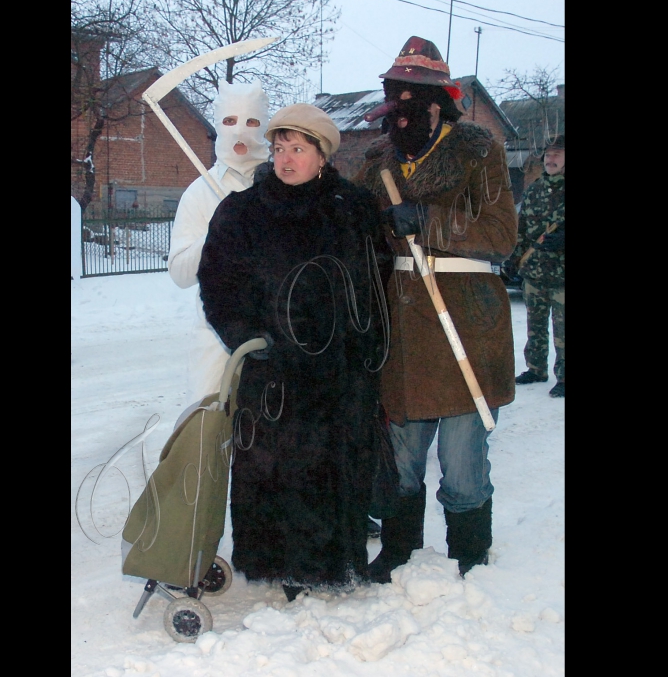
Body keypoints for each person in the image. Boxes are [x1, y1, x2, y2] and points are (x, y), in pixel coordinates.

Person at [198, 103, 392, 600]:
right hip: (274, 366)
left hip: (338, 371)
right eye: (280, 148)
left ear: (323, 155)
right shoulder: (243, 211)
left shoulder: (356, 209)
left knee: (336, 468)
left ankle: (339, 565)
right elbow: (217, 282)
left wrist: (365, 345)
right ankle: (283, 570)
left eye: (298, 149)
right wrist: (248, 338)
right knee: (274, 470)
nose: (286, 159)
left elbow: (377, 280)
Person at [353, 36, 518, 580]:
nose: (398, 119)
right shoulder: (377, 161)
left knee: (463, 461)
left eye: (408, 104)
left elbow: (500, 235)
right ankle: (398, 550)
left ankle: (470, 555)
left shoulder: (478, 150)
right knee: (400, 456)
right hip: (401, 326)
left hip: (465, 321)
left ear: (433, 103)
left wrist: (428, 219)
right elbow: (344, 220)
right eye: (391, 104)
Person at [167, 80, 271, 404]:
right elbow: (180, 273)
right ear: (217, 125)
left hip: (277, 331)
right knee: (206, 433)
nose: (240, 132)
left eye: (251, 122)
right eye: (230, 121)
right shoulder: (199, 193)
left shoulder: (283, 186)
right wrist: (215, 233)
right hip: (216, 335)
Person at [507, 136, 565, 398]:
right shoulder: (534, 189)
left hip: (562, 273)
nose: (551, 160)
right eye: (548, 155)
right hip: (535, 272)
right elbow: (522, 229)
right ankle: (536, 368)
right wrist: (512, 258)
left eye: (557, 155)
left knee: (563, 328)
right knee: (535, 325)